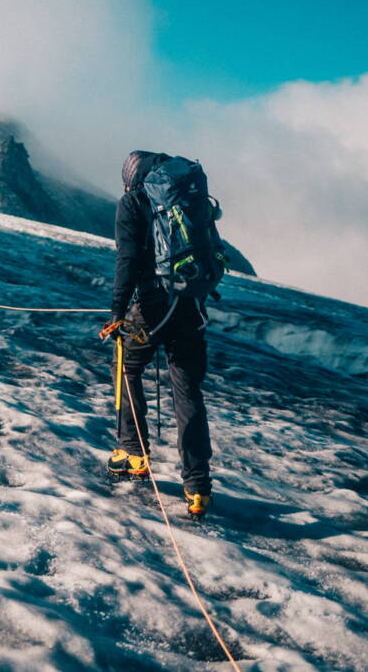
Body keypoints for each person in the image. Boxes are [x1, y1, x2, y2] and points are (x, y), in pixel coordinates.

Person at [102, 150, 214, 518]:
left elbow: (128, 258)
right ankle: (198, 487)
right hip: (190, 304)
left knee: (127, 366)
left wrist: (117, 312)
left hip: (151, 306)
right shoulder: (185, 199)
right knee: (187, 390)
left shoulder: (132, 201)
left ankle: (133, 453)